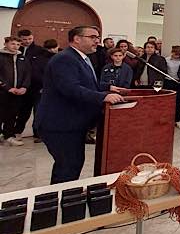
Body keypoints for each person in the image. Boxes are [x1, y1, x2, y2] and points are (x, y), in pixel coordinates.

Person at [35, 26, 124, 183]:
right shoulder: (65, 59)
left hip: (71, 123)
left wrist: (108, 87)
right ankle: (59, 202)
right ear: (77, 38)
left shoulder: (81, 57)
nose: (97, 41)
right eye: (93, 37)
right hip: (60, 124)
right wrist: (103, 97)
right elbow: (70, 88)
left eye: (98, 37)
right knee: (67, 167)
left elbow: (87, 82)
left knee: (72, 165)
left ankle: (65, 199)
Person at [13, 29, 45, 137]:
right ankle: (17, 131)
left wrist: (44, 84)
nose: (27, 41)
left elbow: (45, 69)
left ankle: (37, 133)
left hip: (37, 87)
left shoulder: (40, 50)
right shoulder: (16, 50)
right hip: (20, 86)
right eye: (24, 39)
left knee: (38, 111)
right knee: (22, 111)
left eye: (29, 39)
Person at [0, 36, 31, 146]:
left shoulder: (22, 58)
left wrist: (24, 87)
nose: (15, 46)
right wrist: (7, 88)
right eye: (13, 44)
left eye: (18, 44)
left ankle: (9, 136)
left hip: (17, 93)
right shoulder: (1, 56)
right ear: (6, 44)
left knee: (12, 115)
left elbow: (28, 74)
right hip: (3, 92)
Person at [165, 45, 180, 127]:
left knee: (178, 102)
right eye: (174, 53)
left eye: (178, 54)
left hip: (179, 83)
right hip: (168, 82)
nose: (176, 55)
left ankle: (178, 119)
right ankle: (169, 120)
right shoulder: (166, 60)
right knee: (168, 102)